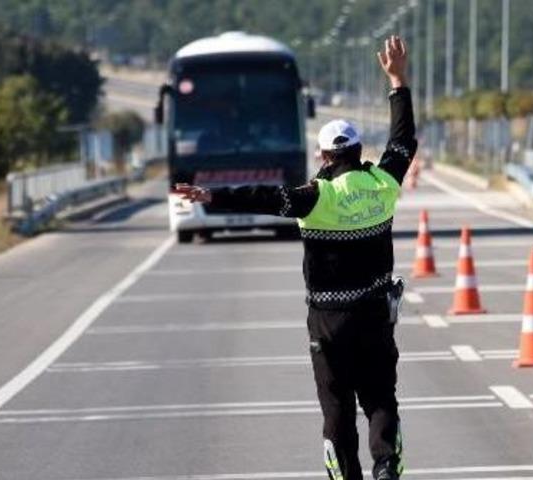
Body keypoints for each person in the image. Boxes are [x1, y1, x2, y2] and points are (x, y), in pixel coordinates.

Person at [174, 35, 416, 480]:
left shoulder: (312, 197)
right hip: (375, 313)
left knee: (337, 405)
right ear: (359, 152)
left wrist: (211, 194)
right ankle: (386, 469)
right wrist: (398, 82)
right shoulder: (384, 183)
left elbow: (263, 197)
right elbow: (403, 141)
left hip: (328, 319)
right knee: (380, 397)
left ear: (324, 156)